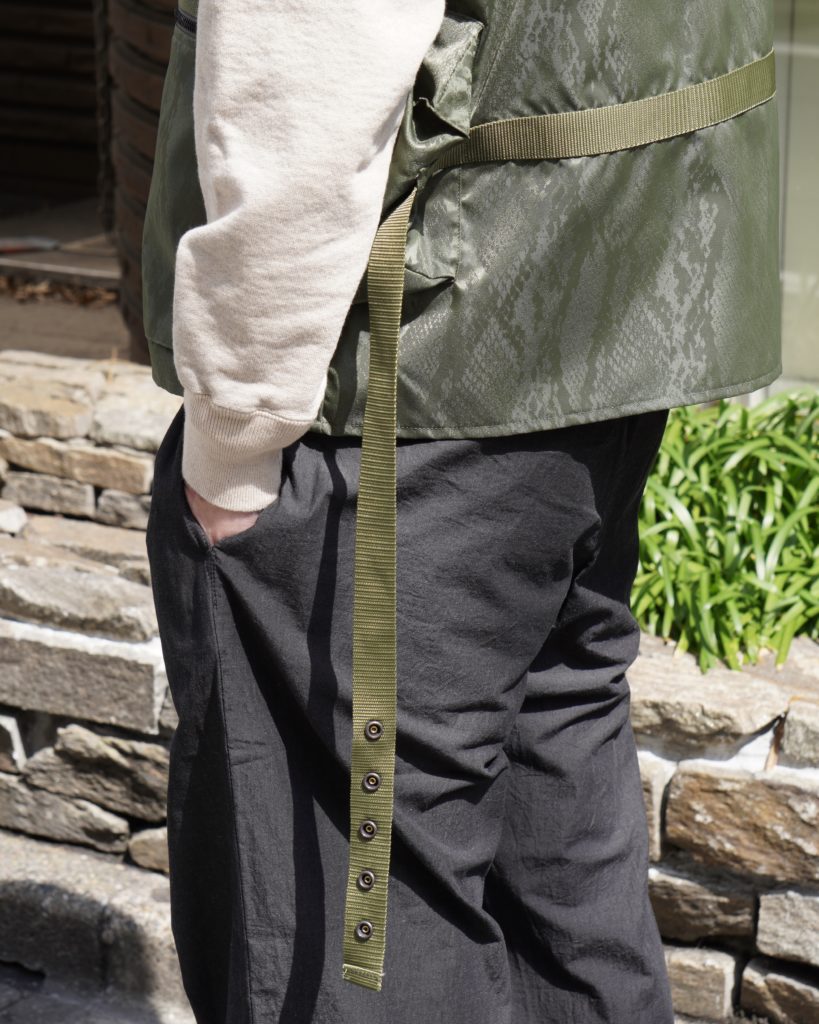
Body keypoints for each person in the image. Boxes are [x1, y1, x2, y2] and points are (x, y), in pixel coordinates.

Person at [143, 1, 780, 1021]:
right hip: (605, 327)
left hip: (409, 380)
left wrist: (234, 429)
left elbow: (313, 58)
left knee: (358, 915)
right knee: (556, 863)